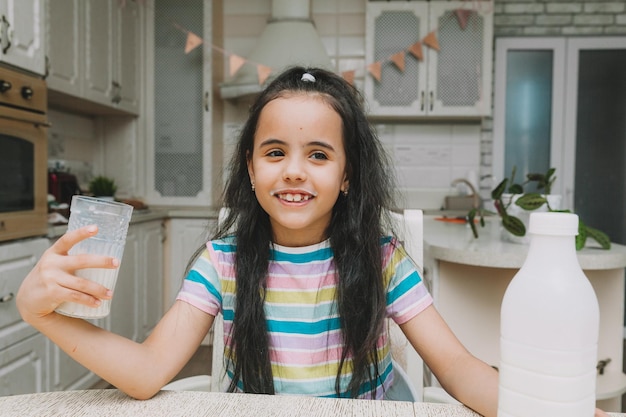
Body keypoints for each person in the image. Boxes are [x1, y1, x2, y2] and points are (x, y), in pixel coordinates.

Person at [15, 67, 605, 417]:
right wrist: (38, 313)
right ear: (251, 170)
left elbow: (455, 367)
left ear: (346, 177)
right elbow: (146, 373)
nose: (294, 171)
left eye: (318, 155)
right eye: (275, 153)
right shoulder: (222, 262)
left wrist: (556, 409)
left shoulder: (380, 258)